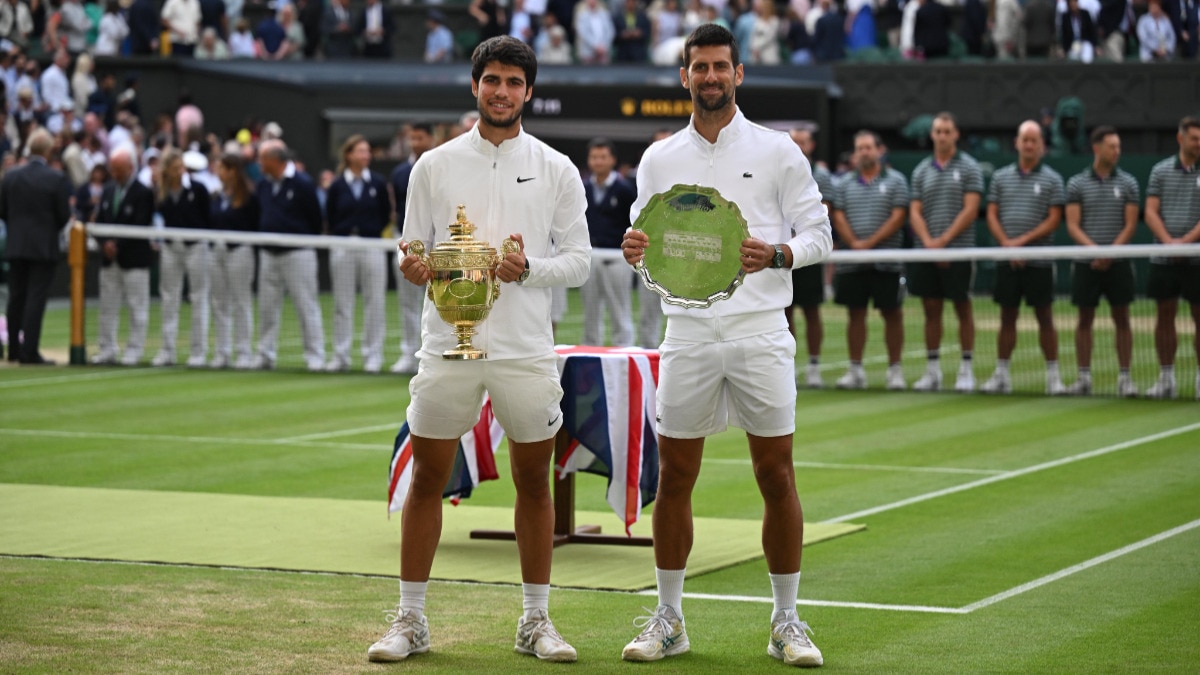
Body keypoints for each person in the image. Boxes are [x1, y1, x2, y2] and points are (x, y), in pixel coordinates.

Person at [368, 35, 590, 664]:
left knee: (534, 482)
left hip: (525, 349)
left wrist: (529, 269)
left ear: (529, 92)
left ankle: (536, 620)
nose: (501, 91)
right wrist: (413, 267)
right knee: (427, 479)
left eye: (514, 82)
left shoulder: (557, 168)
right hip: (446, 344)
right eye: (492, 79)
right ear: (475, 85)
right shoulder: (433, 165)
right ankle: (410, 620)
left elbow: (579, 262)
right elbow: (412, 248)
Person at [618, 24, 829, 667]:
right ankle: (670, 620)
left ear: (738, 74)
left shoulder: (779, 150)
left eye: (720, 67)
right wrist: (635, 248)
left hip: (761, 331)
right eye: (699, 67)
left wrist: (779, 254)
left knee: (776, 474)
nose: (709, 77)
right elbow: (647, 240)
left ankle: (786, 622)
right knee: (675, 476)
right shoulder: (658, 158)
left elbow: (818, 234)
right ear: (684, 76)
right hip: (686, 334)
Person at [980, 120, 1067, 395]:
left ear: (1041, 145)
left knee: (1045, 317)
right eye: (1025, 140)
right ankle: (1001, 375)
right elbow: (992, 213)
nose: (1029, 145)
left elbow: (1054, 219)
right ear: (1017, 143)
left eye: (1034, 140)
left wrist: (1022, 243)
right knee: (1007, 317)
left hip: (1039, 261)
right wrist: (1008, 245)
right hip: (1008, 260)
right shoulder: (1000, 177)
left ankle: (1053, 377)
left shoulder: (1053, 179)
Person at [908, 112, 984, 393]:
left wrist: (944, 242)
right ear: (932, 135)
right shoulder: (921, 170)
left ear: (956, 135)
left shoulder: (970, 167)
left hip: (959, 253)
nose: (942, 136)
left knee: (963, 308)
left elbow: (971, 209)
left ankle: (966, 369)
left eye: (947, 131)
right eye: (938, 131)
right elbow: (915, 211)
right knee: (931, 310)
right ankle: (932, 372)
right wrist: (930, 243)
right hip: (927, 252)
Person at [830, 129, 910, 391]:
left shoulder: (897, 181)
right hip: (853, 262)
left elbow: (898, 217)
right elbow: (838, 216)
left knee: (892, 313)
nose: (864, 152)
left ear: (879, 150)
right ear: (855, 154)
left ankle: (895, 371)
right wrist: (855, 244)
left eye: (868, 147)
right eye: (860, 148)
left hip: (887, 261)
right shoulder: (843, 184)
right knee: (855, 314)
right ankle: (855, 371)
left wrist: (869, 244)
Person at [1063, 126, 1139, 397]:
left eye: (1118, 146)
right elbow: (1073, 225)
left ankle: (1125, 378)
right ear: (1097, 148)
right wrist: (1096, 252)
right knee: (1084, 319)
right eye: (1111, 146)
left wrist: (1110, 253)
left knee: (1122, 319)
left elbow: (1130, 225)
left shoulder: (1129, 183)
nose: (1116, 151)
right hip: (1086, 264)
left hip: (1118, 264)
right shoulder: (1076, 184)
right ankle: (1083, 377)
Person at [0, 127, 71, 364]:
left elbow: (2, 211)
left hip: (16, 246)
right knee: (35, 299)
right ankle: (29, 351)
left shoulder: (11, 176)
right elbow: (64, 216)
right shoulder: (56, 178)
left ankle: (14, 350)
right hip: (43, 247)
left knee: (16, 297)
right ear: (48, 151)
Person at [254, 138, 325, 371]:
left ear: (275, 159)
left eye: (262, 159)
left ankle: (315, 357)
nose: (259, 163)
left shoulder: (303, 183)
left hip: (298, 254)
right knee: (266, 308)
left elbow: (315, 219)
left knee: (306, 307)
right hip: (268, 254)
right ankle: (265, 355)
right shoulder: (263, 185)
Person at [1142, 116, 1200, 400]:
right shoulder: (1160, 171)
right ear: (1181, 139)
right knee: (1164, 317)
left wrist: (1185, 244)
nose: (1199, 144)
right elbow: (1151, 211)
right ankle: (1166, 379)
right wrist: (1169, 243)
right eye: (1194, 139)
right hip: (1164, 260)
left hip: (1197, 259)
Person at [324, 134, 390, 373]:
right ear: (349, 155)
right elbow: (330, 215)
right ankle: (341, 356)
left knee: (375, 302)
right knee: (342, 303)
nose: (366, 155)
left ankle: (373, 357)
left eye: (367, 151)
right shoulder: (337, 185)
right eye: (361, 151)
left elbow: (385, 214)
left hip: (372, 246)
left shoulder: (378, 184)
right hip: (343, 246)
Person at [92, 146, 156, 365]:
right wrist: (104, 244)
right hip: (109, 261)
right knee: (107, 307)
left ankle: (134, 350)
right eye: (113, 169)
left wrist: (117, 244)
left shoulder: (143, 193)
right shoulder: (108, 190)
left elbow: (140, 223)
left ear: (130, 167)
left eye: (119, 169)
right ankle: (107, 349)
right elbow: (99, 221)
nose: (115, 174)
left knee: (137, 308)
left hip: (134, 260)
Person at [151, 148, 213, 367]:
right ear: (167, 170)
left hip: (196, 247)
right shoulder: (160, 192)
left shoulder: (198, 189)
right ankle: (167, 351)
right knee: (169, 298)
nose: (180, 171)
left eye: (182, 167)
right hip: (170, 248)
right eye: (175, 168)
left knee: (198, 297)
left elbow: (207, 218)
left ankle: (198, 352)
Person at [787, 127, 834, 388]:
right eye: (794, 141)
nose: (799, 146)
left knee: (812, 310)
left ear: (811, 145)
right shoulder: (780, 170)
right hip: (784, 251)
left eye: (803, 141)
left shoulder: (821, 175)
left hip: (810, 251)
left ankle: (814, 366)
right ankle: (789, 366)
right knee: (785, 311)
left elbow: (825, 210)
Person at [388, 121, 435, 375]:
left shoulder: (441, 165)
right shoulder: (399, 173)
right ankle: (409, 354)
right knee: (407, 302)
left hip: (438, 245)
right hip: (407, 244)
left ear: (430, 139)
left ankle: (434, 354)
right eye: (412, 138)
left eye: (420, 138)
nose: (415, 143)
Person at [580, 136, 636, 346]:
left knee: (619, 309)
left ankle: (624, 349)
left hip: (616, 257)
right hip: (590, 255)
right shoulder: (583, 187)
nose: (598, 161)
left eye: (603, 157)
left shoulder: (624, 189)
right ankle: (590, 351)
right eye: (594, 157)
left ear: (613, 160)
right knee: (590, 311)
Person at [209, 152, 259, 369]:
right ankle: (222, 353)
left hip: (240, 252)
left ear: (232, 171)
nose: (218, 172)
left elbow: (254, 224)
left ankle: (244, 353)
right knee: (219, 303)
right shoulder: (215, 196)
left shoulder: (249, 197)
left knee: (241, 302)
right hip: (216, 252)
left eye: (222, 168)